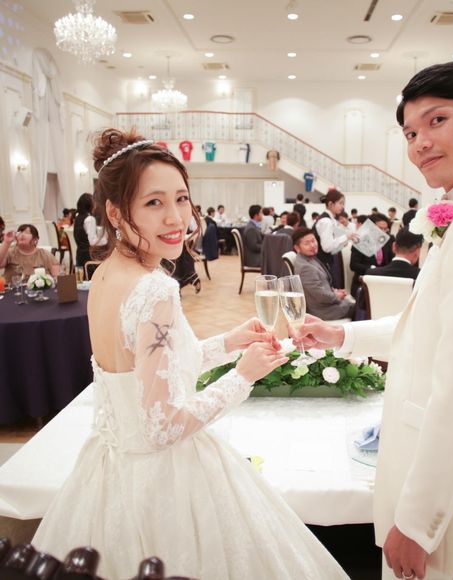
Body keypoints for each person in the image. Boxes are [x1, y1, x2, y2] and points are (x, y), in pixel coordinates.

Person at [32, 129, 348, 580]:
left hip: (110, 469)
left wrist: (229, 342)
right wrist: (242, 376)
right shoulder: (155, 289)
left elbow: (149, 370)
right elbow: (163, 426)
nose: (176, 217)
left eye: (181, 198)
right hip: (165, 479)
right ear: (116, 212)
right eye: (153, 202)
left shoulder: (103, 274)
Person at [291, 60, 453, 580]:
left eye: (437, 121)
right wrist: (340, 333)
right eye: (409, 132)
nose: (420, 143)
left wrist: (418, 522)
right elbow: (430, 330)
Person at [292, 228, 354, 321]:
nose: (312, 245)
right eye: (307, 243)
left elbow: (320, 287)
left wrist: (334, 291)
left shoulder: (308, 258)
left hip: (325, 304)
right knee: (361, 307)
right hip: (323, 311)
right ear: (297, 248)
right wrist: (337, 296)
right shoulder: (305, 268)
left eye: (313, 241)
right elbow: (320, 296)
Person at [313, 188, 358, 284]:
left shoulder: (330, 220)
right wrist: (346, 237)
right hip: (323, 263)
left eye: (343, 203)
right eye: (340, 203)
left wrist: (345, 239)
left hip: (326, 261)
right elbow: (327, 247)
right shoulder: (326, 221)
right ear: (330, 204)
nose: (342, 206)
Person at [349, 213, 394, 297]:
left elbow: (391, 261)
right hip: (364, 284)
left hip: (382, 282)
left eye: (385, 229)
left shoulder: (387, 241)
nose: (383, 232)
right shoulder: (360, 241)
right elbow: (353, 265)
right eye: (380, 228)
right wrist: (373, 269)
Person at [74, 192, 107, 269]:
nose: (95, 204)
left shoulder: (77, 218)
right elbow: (92, 241)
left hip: (79, 256)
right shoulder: (90, 219)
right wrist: (105, 240)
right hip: (89, 257)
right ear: (89, 204)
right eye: (93, 202)